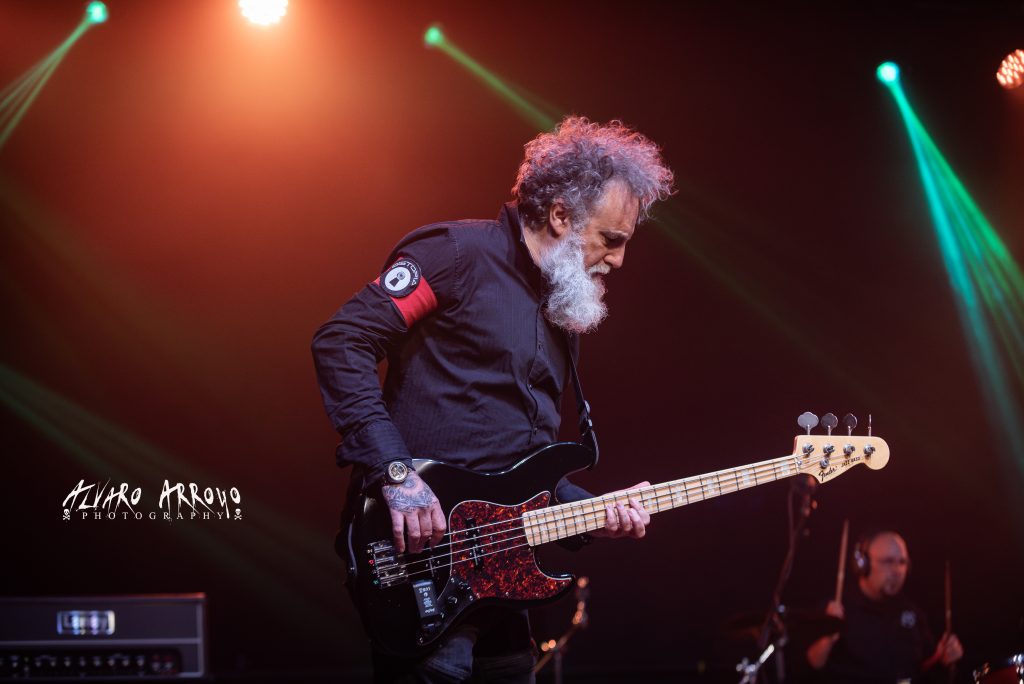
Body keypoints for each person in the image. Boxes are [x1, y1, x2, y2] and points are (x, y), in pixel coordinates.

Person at [312, 116, 674, 682]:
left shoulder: (561, 312)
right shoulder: (456, 254)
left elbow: (524, 466)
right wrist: (395, 473)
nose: (619, 260)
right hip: (420, 558)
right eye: (611, 239)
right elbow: (343, 341)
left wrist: (591, 512)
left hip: (499, 578)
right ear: (560, 216)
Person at [804, 531, 964, 683]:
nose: (897, 570)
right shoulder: (837, 609)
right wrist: (828, 637)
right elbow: (808, 668)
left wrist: (941, 658)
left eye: (902, 562)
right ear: (863, 564)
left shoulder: (912, 613)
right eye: (888, 561)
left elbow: (923, 670)